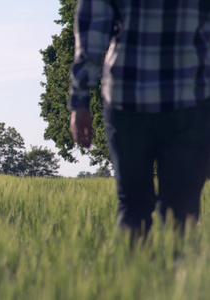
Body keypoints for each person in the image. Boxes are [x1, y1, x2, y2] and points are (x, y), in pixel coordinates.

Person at [69, 0, 210, 239]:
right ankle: (178, 274)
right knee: (182, 211)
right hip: (191, 97)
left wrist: (80, 100)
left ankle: (130, 274)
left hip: (127, 97)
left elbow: (92, 28)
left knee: (132, 205)